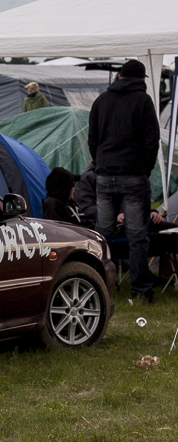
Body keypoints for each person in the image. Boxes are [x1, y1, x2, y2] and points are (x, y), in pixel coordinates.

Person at [87, 59, 160, 303]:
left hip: (105, 174)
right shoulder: (143, 101)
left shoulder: (101, 100)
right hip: (133, 174)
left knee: (103, 233)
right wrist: (147, 168)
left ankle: (95, 284)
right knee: (137, 236)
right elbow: (151, 139)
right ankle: (140, 290)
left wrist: (99, 163)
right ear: (141, 79)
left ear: (120, 76)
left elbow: (92, 138)